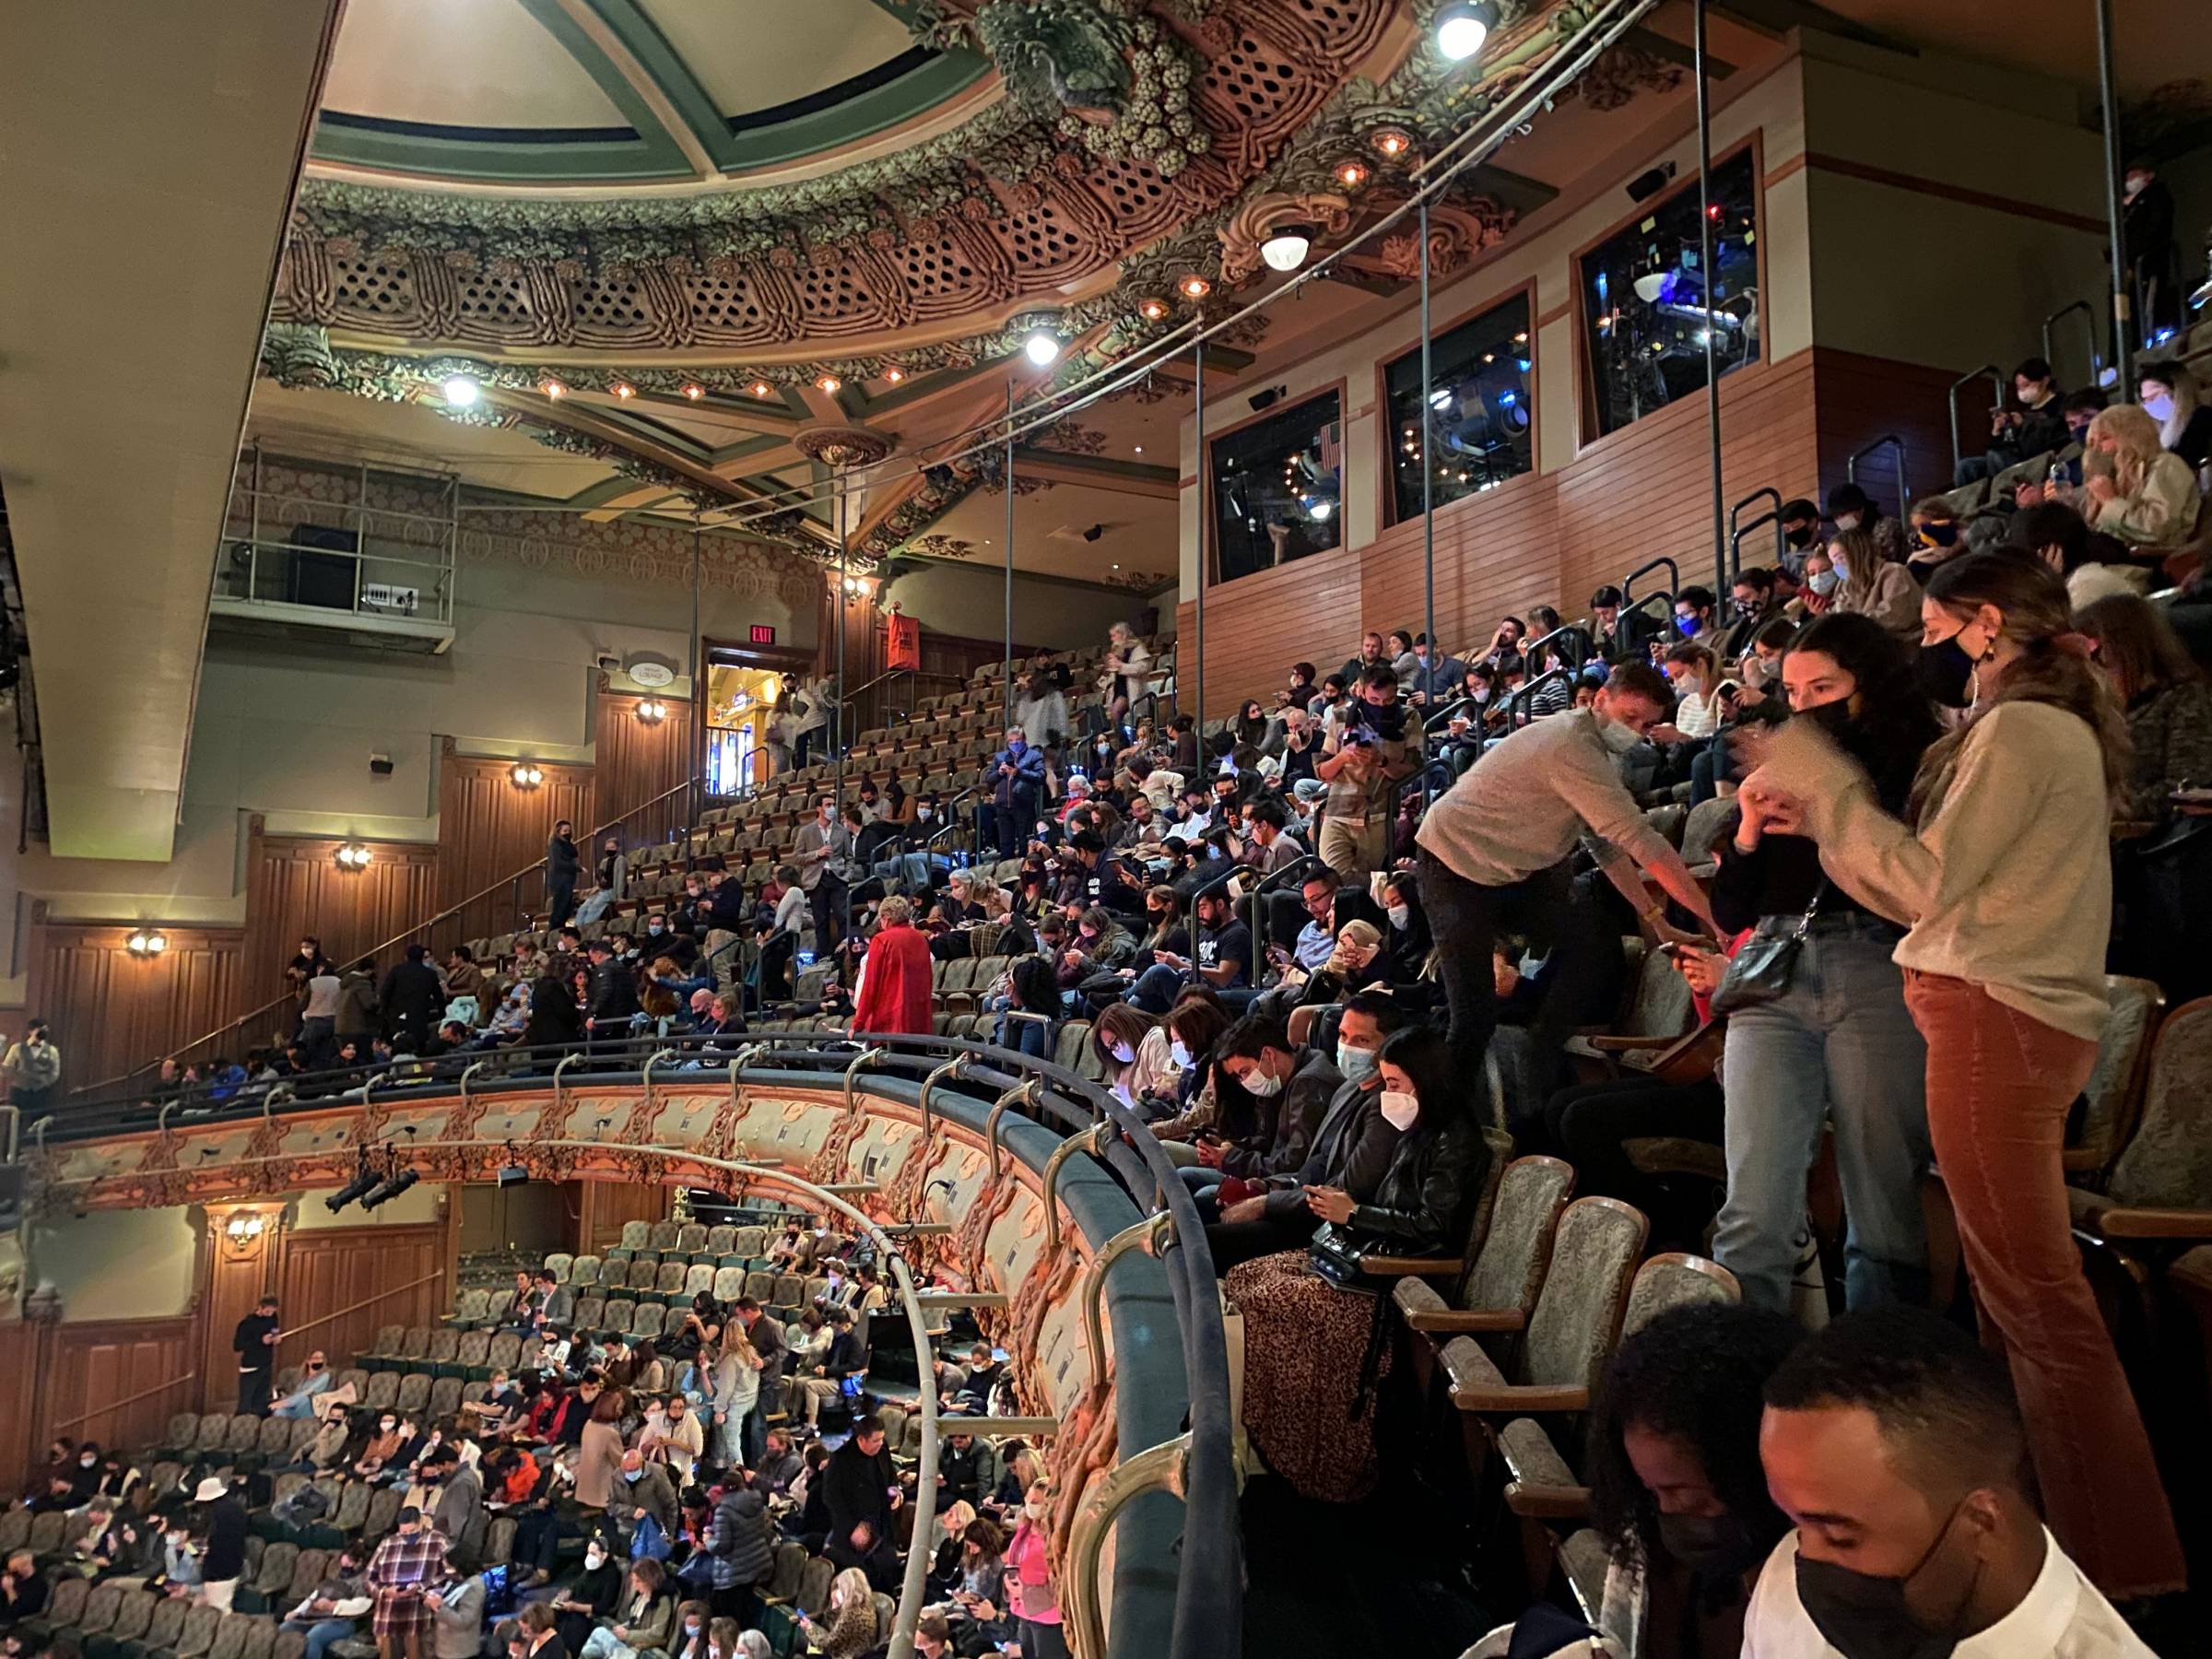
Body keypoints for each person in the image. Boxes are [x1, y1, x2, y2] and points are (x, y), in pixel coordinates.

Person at [1738, 551, 2185, 1599]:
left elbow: (1927, 885)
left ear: (1986, 625)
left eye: (1936, 629)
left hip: (1997, 1014)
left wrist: (1830, 786)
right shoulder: (2028, 727)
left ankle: (2122, 1569)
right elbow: (1912, 888)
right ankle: (2046, 1528)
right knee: (2012, 1296)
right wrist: (1827, 816)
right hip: (1991, 1011)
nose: (1925, 649)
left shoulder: (2024, 728)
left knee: (2036, 1302)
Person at [1712, 614, 1939, 1314]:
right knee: (1753, 1203)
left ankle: (1878, 1385)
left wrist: (1831, 810)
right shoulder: (1781, 763)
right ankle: (1748, 1386)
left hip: (1876, 961)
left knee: (1882, 1194)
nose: (1806, 704)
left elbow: (1914, 878)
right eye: (1792, 689)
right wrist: (1748, 827)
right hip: (1777, 967)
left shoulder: (1915, 758)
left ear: (1866, 683)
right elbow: (1731, 909)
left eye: (1824, 686)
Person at [1750, 1306, 2157, 1657]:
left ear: (1981, 1520)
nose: (1801, 1557)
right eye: (1795, 1522)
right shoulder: (1786, 1583)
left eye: (1841, 1538)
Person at [1226, 1025, 1490, 1502]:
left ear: (1427, 1080)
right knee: (1245, 1277)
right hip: (1368, 1254)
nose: (1387, 1095)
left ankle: (1296, 1446)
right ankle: (1253, 1433)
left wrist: (1356, 1213)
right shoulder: (1419, 1129)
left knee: (1266, 1299)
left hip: (1397, 1277)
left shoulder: (1456, 1141)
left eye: (1394, 1084)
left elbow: (1433, 1226)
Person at [1415, 663, 1718, 1072]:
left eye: (1646, 726)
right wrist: (1716, 918)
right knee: (1473, 1014)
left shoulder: (1603, 754)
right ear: (1599, 700)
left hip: (1517, 869)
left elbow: (1605, 846)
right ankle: (1442, 1121)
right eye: (1629, 718)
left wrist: (1656, 919)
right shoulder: (1570, 745)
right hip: (1454, 862)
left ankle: (1542, 1055)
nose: (1636, 732)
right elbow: (1642, 841)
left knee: (1591, 941)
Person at [1578, 1303, 1805, 1659]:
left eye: (1685, 1495)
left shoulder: (1808, 1591)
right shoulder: (1659, 1559)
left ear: (1749, 1467)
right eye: (1652, 1493)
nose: (1668, 1512)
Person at [1206, 992, 1405, 1269]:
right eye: (1343, 1036)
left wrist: (1267, 1202)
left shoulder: (1386, 1106)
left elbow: (1346, 1189)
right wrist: (1272, 1185)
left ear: (1389, 1045)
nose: (1347, 1047)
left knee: (1206, 1239)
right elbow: (1317, 1161)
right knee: (1204, 1214)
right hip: (1306, 1204)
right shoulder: (1349, 1087)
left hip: (1327, 1226)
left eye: (1362, 1040)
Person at [2075, 593, 2212, 822]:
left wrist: (2104, 809)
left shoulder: (2185, 700)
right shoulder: (2092, 708)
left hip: (2149, 843)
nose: (2088, 669)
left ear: (2126, 647)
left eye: (2094, 653)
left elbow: (2187, 791)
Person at [2082, 402, 2200, 550]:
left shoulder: (2167, 465)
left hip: (2149, 562)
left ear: (2132, 437)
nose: (2097, 448)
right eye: (2092, 442)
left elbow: (2156, 530)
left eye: (2105, 438)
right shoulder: (2111, 474)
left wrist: (2110, 501)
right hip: (2109, 558)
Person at [1953, 357, 2068, 485]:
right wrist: (1998, 431)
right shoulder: (2024, 411)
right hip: (2017, 457)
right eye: (2019, 388)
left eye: (2026, 385)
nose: (2023, 391)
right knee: (1966, 467)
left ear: (2045, 380)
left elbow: (2052, 434)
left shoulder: (2062, 405)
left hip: (2038, 458)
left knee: (1995, 457)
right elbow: (2008, 445)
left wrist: (2024, 423)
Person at [850, 894, 933, 1035]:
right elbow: (928, 980)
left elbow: (871, 985)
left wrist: (858, 1024)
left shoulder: (881, 940)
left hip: (889, 1023)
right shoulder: (921, 939)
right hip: (919, 1022)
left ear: (886, 918)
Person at [1004, 1481, 1067, 1659]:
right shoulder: (1025, 1528)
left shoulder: (1058, 1536)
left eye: (1035, 1502)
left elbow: (1064, 1583)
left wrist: (1026, 1592)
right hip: (1025, 1613)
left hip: (1048, 1617)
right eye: (1028, 1500)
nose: (1030, 1506)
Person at [1826, 528, 1919, 641]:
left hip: (1900, 645)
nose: (1837, 566)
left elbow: (1896, 617)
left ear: (1857, 553)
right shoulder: (1845, 584)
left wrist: (1852, 625)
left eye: (1840, 558)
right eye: (1833, 562)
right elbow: (1837, 613)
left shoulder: (1894, 572)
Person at [984, 725, 1047, 859]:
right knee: (1006, 843)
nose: (1014, 743)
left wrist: (1019, 772)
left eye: (1017, 740)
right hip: (1002, 804)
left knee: (1025, 841)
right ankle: (1007, 870)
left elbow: (1040, 776)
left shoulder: (1034, 755)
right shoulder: (1000, 757)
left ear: (1024, 739)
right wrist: (1000, 772)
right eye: (1011, 741)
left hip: (1023, 804)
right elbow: (989, 778)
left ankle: (1026, 867)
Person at [2138, 359, 2212, 471]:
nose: (2148, 405)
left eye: (2153, 397)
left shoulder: (2202, 418)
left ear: (2177, 390)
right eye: (2145, 400)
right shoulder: (2157, 429)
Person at [796, 1567, 878, 1659]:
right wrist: (835, 1606)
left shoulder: (852, 1615)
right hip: (840, 1649)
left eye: (839, 1587)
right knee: (803, 1647)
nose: (837, 1590)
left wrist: (809, 1628)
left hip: (842, 1655)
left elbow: (828, 1644)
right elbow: (831, 1622)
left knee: (802, 1647)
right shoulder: (865, 1605)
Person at [233, 1294, 280, 1415]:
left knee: (261, 1400)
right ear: (260, 1307)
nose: (270, 1314)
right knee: (246, 1401)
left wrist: (276, 1337)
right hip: (251, 1366)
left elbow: (275, 1328)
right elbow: (238, 1346)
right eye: (268, 1311)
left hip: (266, 1363)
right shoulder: (247, 1323)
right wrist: (260, 1341)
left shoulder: (273, 1317)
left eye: (273, 1311)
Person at [2, 1017, 61, 1112]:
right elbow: (8, 1068)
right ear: (31, 1031)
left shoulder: (52, 1050)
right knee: (17, 1121)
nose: (43, 1033)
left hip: (41, 1093)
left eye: (45, 1030)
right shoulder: (16, 1048)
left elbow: (55, 1072)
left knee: (39, 1121)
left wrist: (44, 1082)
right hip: (19, 1092)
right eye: (40, 1030)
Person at [547, 821, 581, 931]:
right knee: (560, 910)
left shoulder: (568, 844)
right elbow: (558, 863)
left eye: (569, 831)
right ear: (558, 832)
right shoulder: (555, 844)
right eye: (565, 831)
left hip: (568, 880)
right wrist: (576, 868)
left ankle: (560, 932)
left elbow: (574, 854)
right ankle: (555, 933)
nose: (568, 833)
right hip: (560, 880)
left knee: (566, 909)